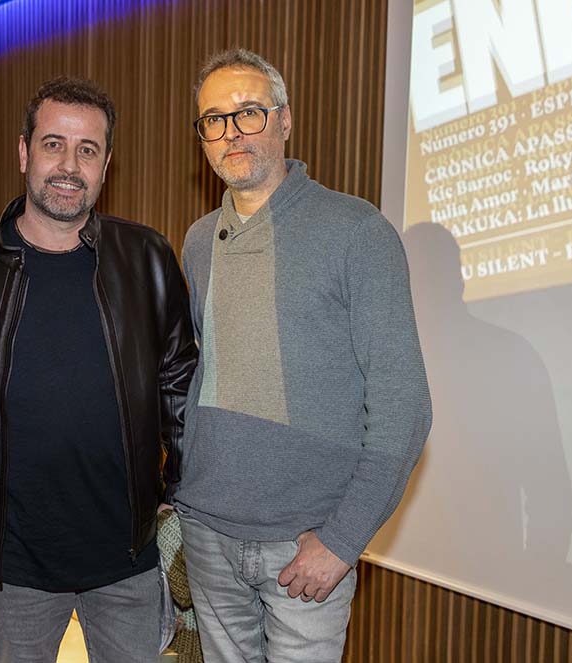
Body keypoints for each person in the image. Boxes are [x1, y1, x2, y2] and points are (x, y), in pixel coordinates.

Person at [173, 49, 432, 663]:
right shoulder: (199, 241)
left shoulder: (357, 232)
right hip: (208, 534)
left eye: (249, 112)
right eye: (214, 120)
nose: (232, 132)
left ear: (285, 120)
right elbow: (201, 378)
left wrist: (343, 541)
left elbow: (404, 407)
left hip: (306, 546)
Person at [0, 76, 197, 662]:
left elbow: (180, 386)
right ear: (24, 152)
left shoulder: (147, 257)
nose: (69, 165)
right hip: (16, 568)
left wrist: (178, 490)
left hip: (127, 563)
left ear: (107, 164)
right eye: (53, 144)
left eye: (87, 149)